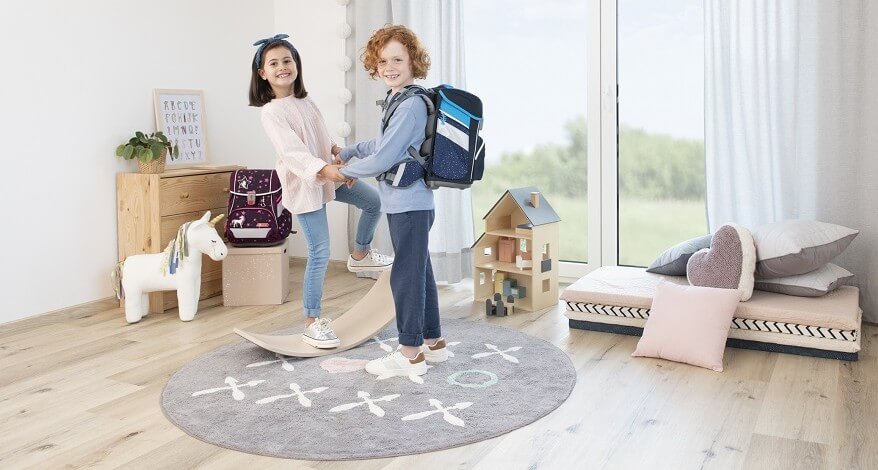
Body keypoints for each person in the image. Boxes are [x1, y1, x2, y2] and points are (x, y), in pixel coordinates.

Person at [249, 34, 393, 349]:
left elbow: (320, 137)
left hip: (328, 174)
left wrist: (337, 154)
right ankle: (312, 322)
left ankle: (360, 253)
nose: (282, 67)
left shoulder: (306, 101)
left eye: (287, 60)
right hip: (304, 183)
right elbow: (293, 152)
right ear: (263, 73)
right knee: (320, 252)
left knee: (374, 201)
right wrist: (329, 171)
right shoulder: (271, 112)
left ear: (296, 64)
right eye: (274, 63)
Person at [336, 25, 449, 378]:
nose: (389, 67)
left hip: (410, 204)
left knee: (406, 276)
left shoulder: (411, 104)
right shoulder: (399, 99)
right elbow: (383, 144)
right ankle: (434, 343)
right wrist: (351, 151)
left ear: (413, 61)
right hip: (408, 203)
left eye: (397, 59)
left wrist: (341, 172)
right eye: (383, 61)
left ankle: (410, 353)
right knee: (419, 271)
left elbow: (384, 158)